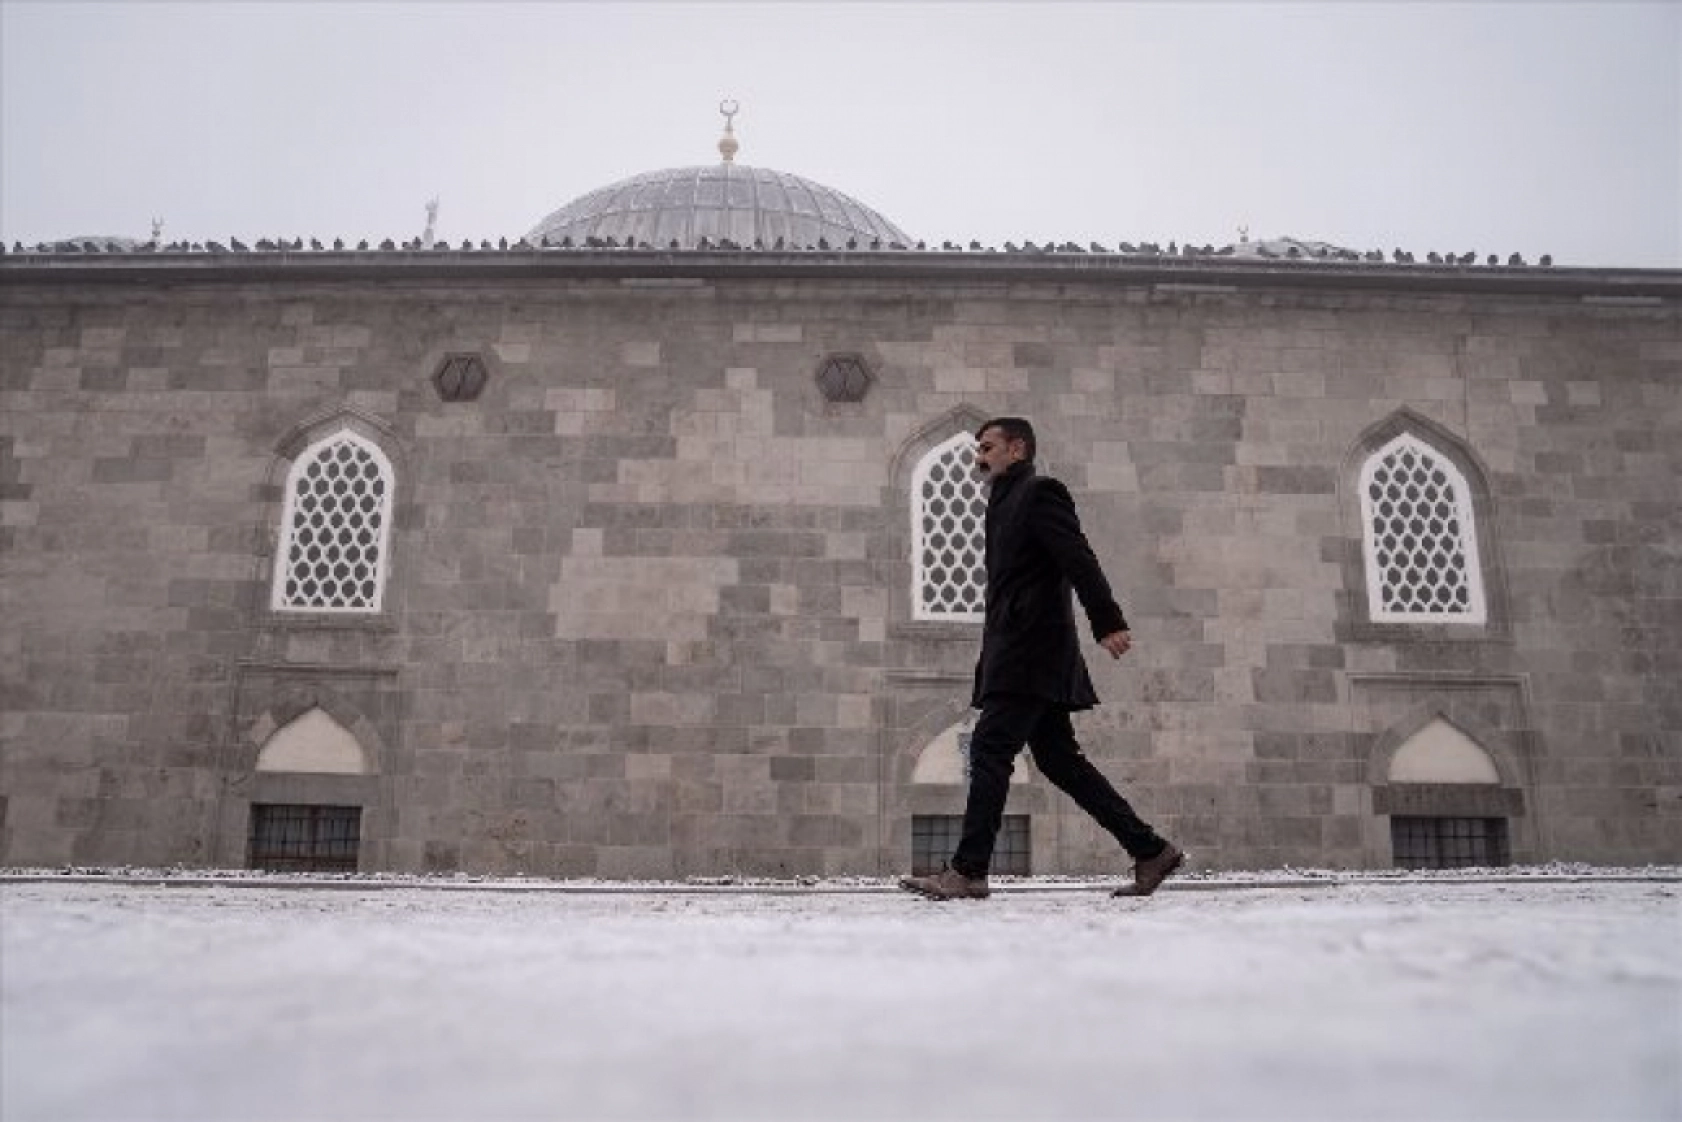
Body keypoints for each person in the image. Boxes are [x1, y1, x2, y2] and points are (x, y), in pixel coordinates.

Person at [899, 417, 1183, 901]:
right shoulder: (1002, 502)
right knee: (1060, 762)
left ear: (1017, 448)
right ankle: (1150, 850)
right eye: (977, 449)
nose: (978, 457)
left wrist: (1106, 620)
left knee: (990, 748)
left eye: (987, 447)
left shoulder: (1040, 493)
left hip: (1031, 650)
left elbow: (1078, 557)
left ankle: (968, 871)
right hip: (1019, 650)